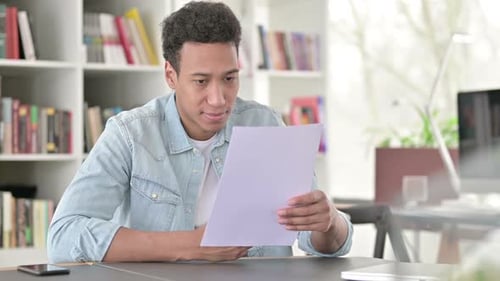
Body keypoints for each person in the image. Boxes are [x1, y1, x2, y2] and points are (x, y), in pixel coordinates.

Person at [47, 1, 353, 263]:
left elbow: (322, 246)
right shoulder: (129, 135)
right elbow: (63, 237)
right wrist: (192, 244)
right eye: (201, 81)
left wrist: (329, 223)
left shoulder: (266, 123)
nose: (219, 99)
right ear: (171, 75)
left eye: (229, 78)